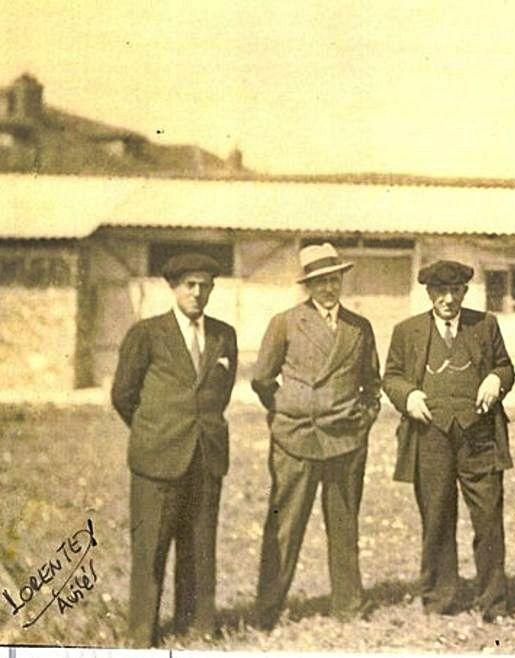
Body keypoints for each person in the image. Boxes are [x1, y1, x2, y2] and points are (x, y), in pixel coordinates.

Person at [111, 253, 238, 647]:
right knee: (150, 549)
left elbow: (222, 391)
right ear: (174, 288)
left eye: (205, 286)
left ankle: (196, 625)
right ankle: (141, 634)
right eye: (190, 285)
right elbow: (123, 395)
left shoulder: (223, 335)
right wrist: (154, 432)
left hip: (206, 456)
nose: (197, 293)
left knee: (200, 546)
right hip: (157, 459)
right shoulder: (147, 333)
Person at [252, 242, 381, 628]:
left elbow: (372, 383)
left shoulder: (359, 327)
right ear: (308, 286)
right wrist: (289, 408)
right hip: (296, 439)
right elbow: (262, 378)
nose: (329, 288)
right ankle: (267, 612)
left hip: (345, 439)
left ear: (342, 279)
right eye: (320, 281)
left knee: (344, 525)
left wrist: (363, 420)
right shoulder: (286, 322)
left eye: (334, 279)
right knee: (285, 527)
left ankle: (348, 606)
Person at [383, 260, 514, 622]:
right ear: (429, 294)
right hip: (431, 438)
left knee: (488, 520)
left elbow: (505, 367)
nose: (448, 299)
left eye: (455, 291)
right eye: (441, 292)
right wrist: (408, 396)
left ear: (464, 292)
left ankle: (494, 603)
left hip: (480, 438)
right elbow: (391, 376)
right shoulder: (407, 331)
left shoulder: (484, 324)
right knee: (437, 518)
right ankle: (439, 599)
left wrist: (495, 380)